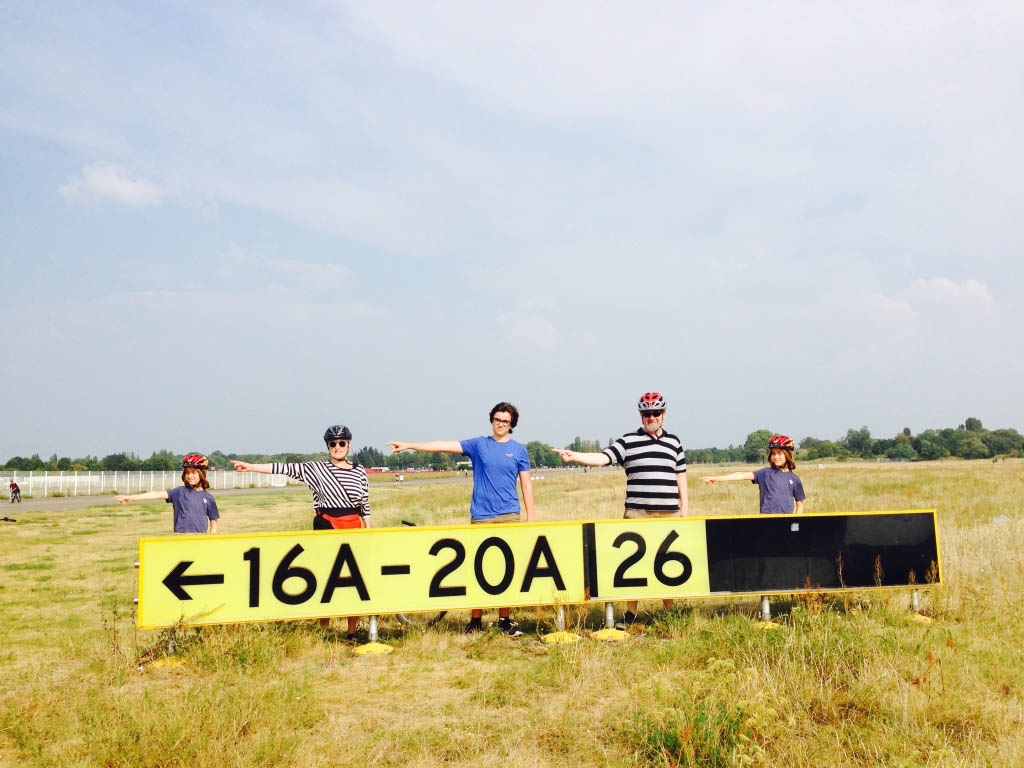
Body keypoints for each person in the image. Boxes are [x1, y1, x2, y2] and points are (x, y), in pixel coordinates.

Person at [387, 401, 535, 637]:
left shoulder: (519, 450)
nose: (500, 424)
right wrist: (409, 445)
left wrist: (531, 517)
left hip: (509, 515)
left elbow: (526, 485)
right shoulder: (478, 445)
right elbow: (443, 446)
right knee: (478, 568)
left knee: (505, 567)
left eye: (505, 421)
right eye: (497, 419)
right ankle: (475, 619)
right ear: (491, 421)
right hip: (481, 516)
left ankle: (504, 619)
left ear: (511, 425)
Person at [554, 391, 688, 629]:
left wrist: (684, 508)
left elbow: (681, 476)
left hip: (669, 514)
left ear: (664, 414)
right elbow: (603, 458)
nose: (651, 417)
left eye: (656, 412)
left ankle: (669, 612)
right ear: (641, 416)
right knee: (633, 563)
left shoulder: (674, 442)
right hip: (637, 513)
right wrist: (575, 456)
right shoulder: (628, 441)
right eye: (647, 413)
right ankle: (631, 613)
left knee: (667, 562)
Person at [229, 425, 369, 640]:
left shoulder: (359, 470)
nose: (337, 447)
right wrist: (250, 467)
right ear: (328, 446)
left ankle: (351, 631)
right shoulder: (316, 469)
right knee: (325, 575)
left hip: (353, 526)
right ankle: (324, 629)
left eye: (342, 443)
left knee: (353, 577)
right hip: (326, 524)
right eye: (333, 443)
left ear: (349, 445)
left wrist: (368, 531)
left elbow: (364, 503)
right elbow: (283, 468)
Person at [703, 434, 805, 514]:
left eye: (779, 453)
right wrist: (716, 478)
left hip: (786, 521)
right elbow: (741, 475)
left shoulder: (794, 479)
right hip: (766, 521)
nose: (776, 457)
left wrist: (796, 521)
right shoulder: (765, 473)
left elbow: (799, 503)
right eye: (773, 453)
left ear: (788, 454)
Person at [117, 454, 219, 533]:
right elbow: (156, 494)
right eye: (187, 472)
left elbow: (213, 522)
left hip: (199, 539)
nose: (190, 475)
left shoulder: (208, 498)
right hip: (180, 538)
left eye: (193, 472)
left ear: (202, 473)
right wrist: (131, 498)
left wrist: (211, 540)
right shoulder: (179, 492)